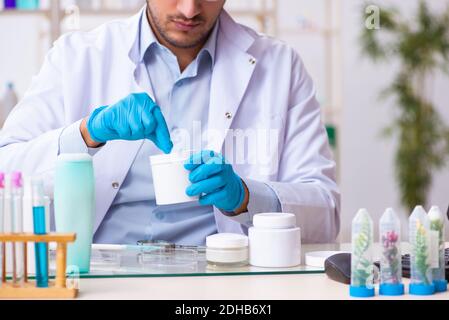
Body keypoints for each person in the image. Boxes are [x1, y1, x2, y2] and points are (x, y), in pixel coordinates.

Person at [0, 0, 340, 245]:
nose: (190, 10)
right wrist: (88, 133)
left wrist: (246, 198)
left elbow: (325, 212)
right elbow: (7, 167)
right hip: (102, 279)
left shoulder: (280, 66)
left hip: (225, 284)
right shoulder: (77, 57)